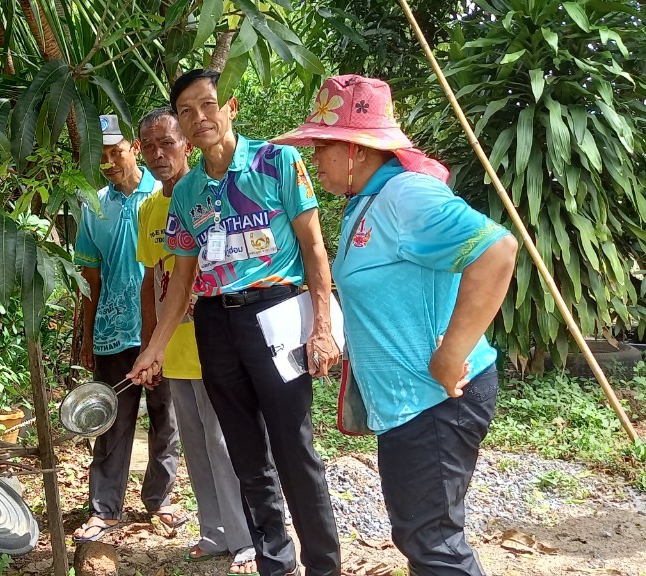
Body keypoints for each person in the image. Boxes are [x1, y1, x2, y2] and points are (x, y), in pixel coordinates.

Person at [273, 74, 517, 576]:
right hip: (408, 405)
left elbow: (497, 250)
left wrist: (451, 353)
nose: (314, 159)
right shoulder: (367, 201)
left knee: (432, 542)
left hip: (434, 400)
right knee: (423, 536)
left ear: (357, 150)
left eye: (322, 147)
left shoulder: (406, 195)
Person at [129, 69, 342, 576]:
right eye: (186, 111)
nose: (199, 118)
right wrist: (154, 347)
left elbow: (314, 247)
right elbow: (181, 281)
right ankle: (275, 561)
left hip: (277, 314)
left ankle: (323, 566)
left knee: (294, 447)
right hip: (215, 326)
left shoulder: (276, 162)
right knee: (246, 454)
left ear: (230, 107)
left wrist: (323, 325)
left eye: (208, 105)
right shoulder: (186, 194)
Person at [134, 107, 258, 574]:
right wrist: (151, 346)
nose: (158, 154)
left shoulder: (208, 193)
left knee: (224, 441)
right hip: (174, 349)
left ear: (186, 143)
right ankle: (214, 532)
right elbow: (152, 280)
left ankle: (247, 535)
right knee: (196, 444)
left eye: (167, 143)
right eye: (149, 146)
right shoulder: (149, 209)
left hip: (215, 342)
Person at [71, 114, 184, 543]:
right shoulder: (93, 205)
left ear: (134, 149)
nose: (109, 162)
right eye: (101, 156)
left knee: (165, 418)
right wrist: (87, 335)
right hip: (112, 332)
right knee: (111, 420)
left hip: (162, 331)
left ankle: (160, 499)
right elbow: (90, 277)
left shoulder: (163, 193)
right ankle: (104, 508)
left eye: (116, 152)